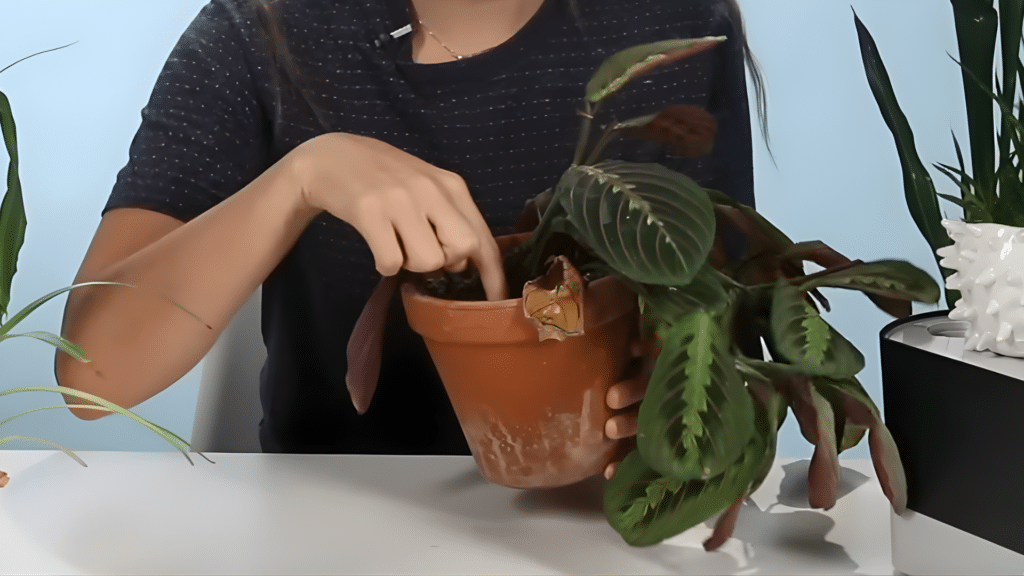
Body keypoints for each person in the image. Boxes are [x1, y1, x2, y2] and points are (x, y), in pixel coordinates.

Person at [55, 0, 767, 479]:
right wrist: (302, 178)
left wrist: (676, 390)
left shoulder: (674, 25)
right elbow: (92, 376)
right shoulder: (260, 29)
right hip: (336, 524)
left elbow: (729, 340)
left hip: (595, 528)